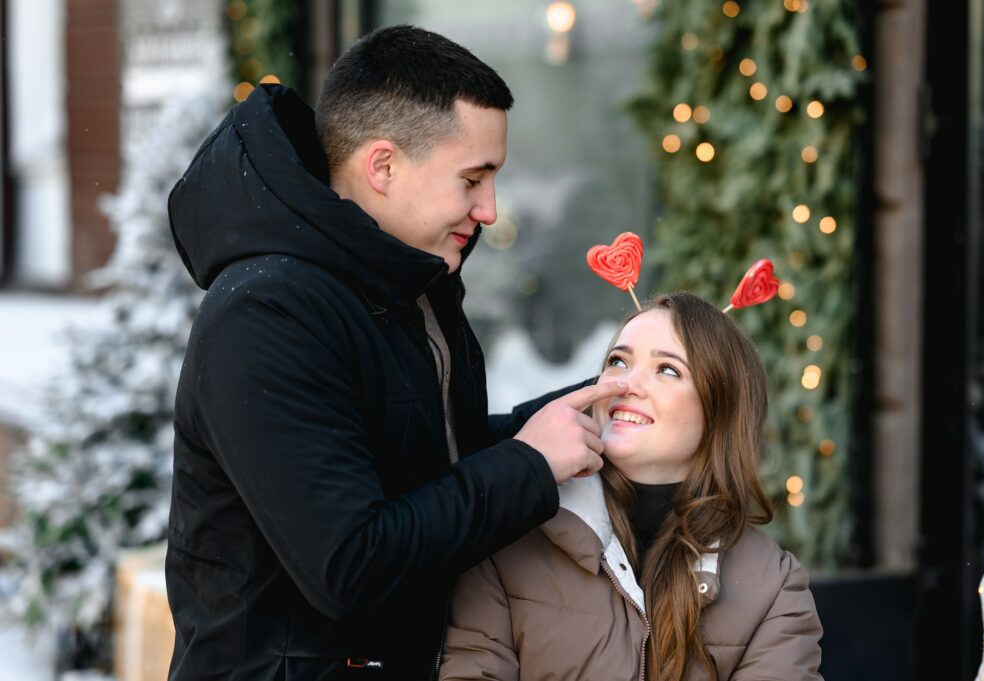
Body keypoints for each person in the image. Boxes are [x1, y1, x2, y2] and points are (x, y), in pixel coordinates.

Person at [165, 25, 625, 680]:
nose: (490, 209)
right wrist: (530, 461)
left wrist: (578, 409)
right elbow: (351, 562)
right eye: (473, 178)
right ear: (382, 166)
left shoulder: (408, 283)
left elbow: (425, 460)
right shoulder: (267, 311)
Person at [441, 292, 824, 681]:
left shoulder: (775, 588)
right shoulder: (507, 538)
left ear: (719, 412)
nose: (626, 383)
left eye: (668, 370)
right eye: (617, 361)